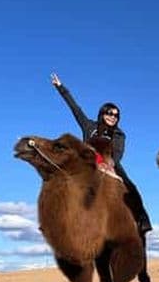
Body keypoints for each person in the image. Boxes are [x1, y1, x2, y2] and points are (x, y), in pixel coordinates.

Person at [50, 72, 152, 234]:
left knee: (131, 186)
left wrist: (108, 165)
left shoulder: (119, 134)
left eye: (116, 115)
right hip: (87, 164)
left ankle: (142, 220)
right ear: (103, 113)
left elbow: (118, 153)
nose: (113, 117)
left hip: (110, 164)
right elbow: (75, 108)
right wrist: (60, 87)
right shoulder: (89, 127)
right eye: (110, 113)